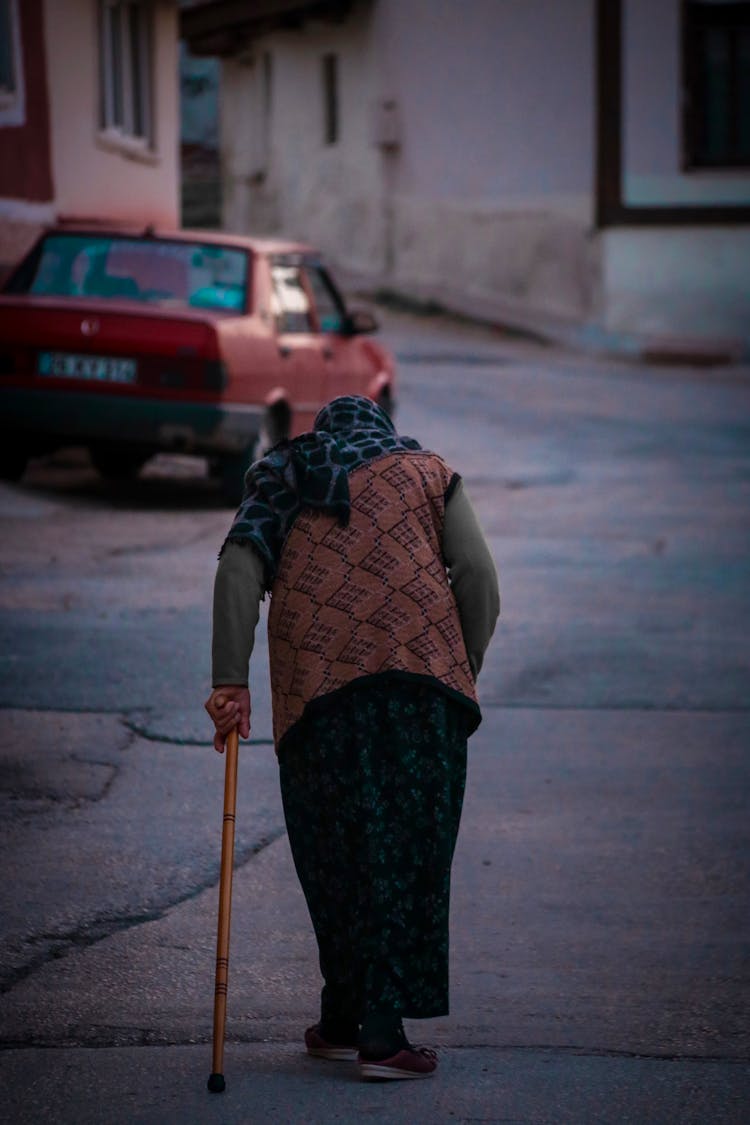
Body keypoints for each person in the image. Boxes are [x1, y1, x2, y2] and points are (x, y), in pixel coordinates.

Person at [204, 394, 499, 1081]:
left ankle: (343, 1015)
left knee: (333, 851)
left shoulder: (284, 475)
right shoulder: (428, 473)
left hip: (320, 698)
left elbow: (238, 569)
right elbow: (480, 577)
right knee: (405, 855)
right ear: (387, 433)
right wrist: (460, 665)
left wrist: (229, 681)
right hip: (421, 696)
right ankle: (380, 1031)